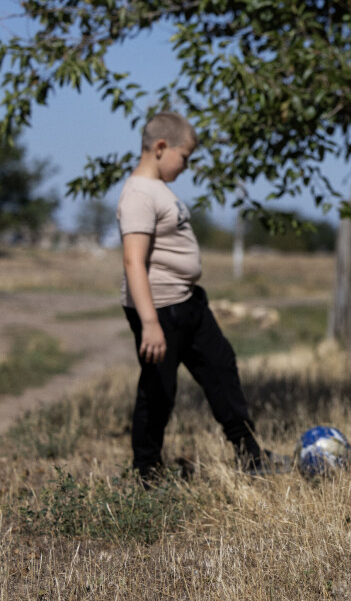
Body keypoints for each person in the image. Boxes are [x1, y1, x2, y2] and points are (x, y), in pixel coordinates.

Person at [116, 111, 285, 482]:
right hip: (159, 310)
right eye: (185, 157)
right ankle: (146, 472)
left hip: (189, 303)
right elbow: (133, 261)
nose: (187, 165)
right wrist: (149, 324)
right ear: (161, 147)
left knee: (221, 369)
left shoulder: (158, 188)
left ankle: (251, 455)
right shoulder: (138, 195)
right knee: (159, 389)